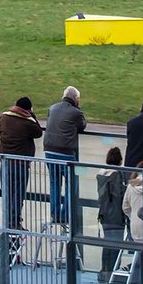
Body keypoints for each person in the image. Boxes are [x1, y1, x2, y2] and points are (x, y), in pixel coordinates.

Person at [0, 97, 42, 230]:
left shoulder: (4, 118)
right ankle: (14, 222)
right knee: (17, 195)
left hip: (5, 163)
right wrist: (32, 115)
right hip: (20, 164)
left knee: (7, 193)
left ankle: (7, 221)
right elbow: (38, 132)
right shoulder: (27, 122)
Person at [44, 86, 86, 224]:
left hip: (49, 150)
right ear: (76, 99)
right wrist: (79, 110)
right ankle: (65, 214)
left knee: (54, 182)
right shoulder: (75, 112)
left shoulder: (52, 108)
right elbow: (82, 126)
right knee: (72, 183)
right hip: (65, 152)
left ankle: (55, 214)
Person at [95, 147, 129, 282]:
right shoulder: (117, 174)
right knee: (116, 244)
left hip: (104, 213)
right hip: (115, 214)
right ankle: (112, 272)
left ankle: (105, 270)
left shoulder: (101, 174)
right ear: (120, 160)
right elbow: (120, 195)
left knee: (107, 243)